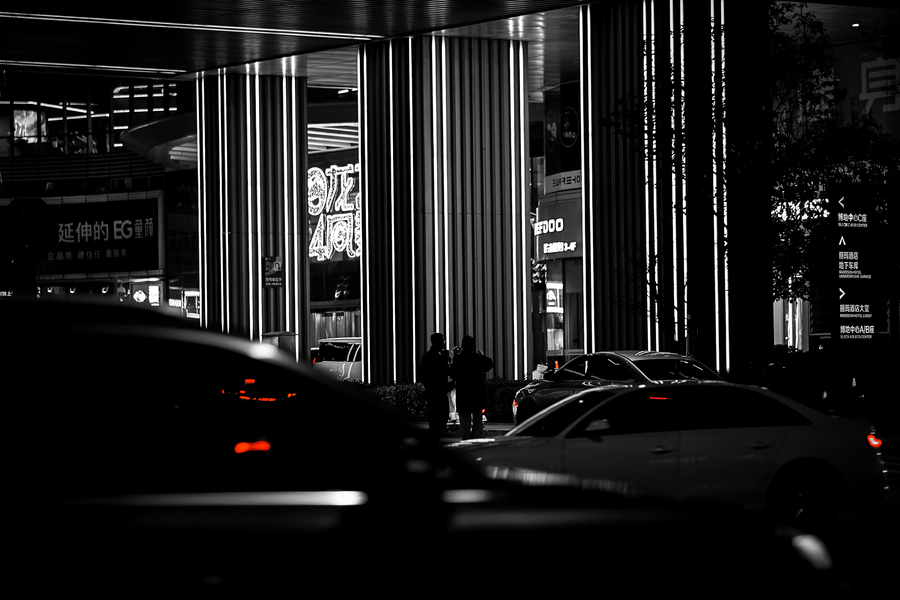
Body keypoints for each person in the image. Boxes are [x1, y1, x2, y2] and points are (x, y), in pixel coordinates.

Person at [450, 334, 494, 440]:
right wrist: (482, 356)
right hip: (476, 394)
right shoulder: (477, 359)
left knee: (465, 422)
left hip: (463, 394)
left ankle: (466, 440)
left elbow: (453, 374)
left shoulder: (459, 359)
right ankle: (476, 439)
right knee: (477, 420)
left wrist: (456, 356)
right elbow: (489, 364)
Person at [418, 332, 453, 439]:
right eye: (442, 340)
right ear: (437, 342)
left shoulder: (427, 356)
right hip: (438, 391)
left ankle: (435, 436)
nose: (444, 343)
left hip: (433, 391)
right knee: (441, 415)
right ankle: (438, 436)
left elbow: (422, 375)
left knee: (436, 416)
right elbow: (446, 372)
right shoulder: (437, 357)